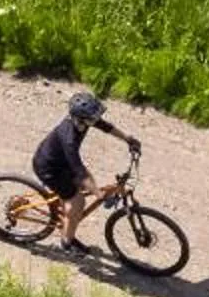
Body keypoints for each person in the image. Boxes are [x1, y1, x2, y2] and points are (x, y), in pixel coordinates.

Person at [32, 90, 133, 251]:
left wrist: (128, 139)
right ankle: (67, 242)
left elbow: (105, 126)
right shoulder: (69, 138)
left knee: (84, 185)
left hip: (62, 162)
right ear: (81, 118)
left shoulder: (83, 121)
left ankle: (66, 212)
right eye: (93, 117)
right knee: (78, 202)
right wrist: (99, 195)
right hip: (50, 168)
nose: (96, 119)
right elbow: (79, 170)